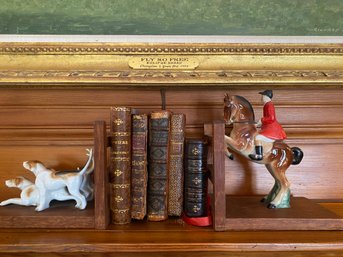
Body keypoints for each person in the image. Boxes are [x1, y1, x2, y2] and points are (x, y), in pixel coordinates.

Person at [249, 90, 287, 161]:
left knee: (258, 137)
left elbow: (271, 118)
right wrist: (258, 124)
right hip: (268, 128)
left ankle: (259, 155)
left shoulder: (269, 105)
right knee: (255, 134)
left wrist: (261, 120)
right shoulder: (266, 105)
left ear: (266, 97)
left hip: (272, 129)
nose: (261, 98)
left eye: (262, 96)